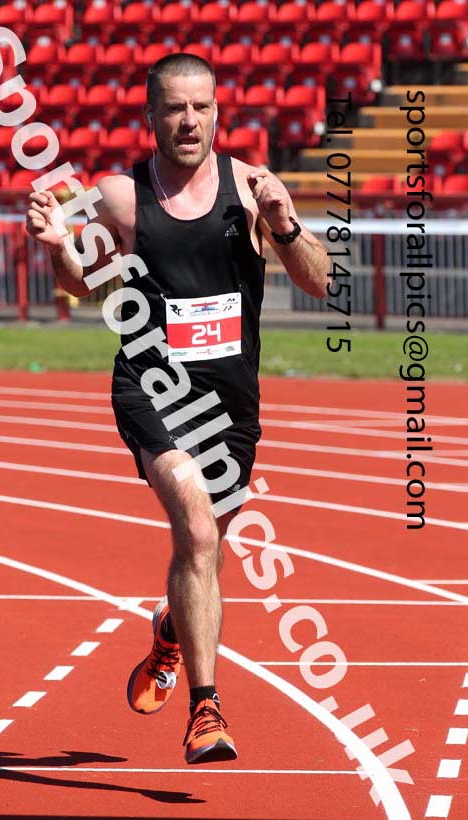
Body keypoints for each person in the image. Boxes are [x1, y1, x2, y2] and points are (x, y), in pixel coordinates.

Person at [26, 53, 329, 765]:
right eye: (172, 108)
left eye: (199, 107)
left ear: (218, 110)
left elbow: (318, 284)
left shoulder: (253, 189)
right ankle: (206, 710)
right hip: (151, 387)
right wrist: (57, 249)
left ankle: (169, 632)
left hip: (232, 401)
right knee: (194, 526)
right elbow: (80, 286)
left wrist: (284, 226)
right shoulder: (119, 197)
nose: (187, 121)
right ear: (150, 116)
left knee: (204, 549)